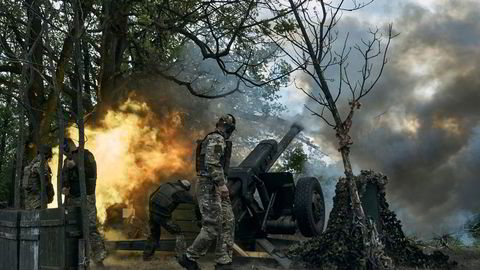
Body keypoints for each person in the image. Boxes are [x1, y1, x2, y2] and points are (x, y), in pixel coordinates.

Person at [178, 114, 236, 270]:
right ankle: (189, 257)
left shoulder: (218, 138)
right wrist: (221, 184)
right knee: (212, 225)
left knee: (227, 220)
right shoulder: (216, 139)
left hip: (215, 186)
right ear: (229, 128)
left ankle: (223, 260)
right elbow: (211, 162)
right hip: (209, 185)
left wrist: (221, 185)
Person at [62, 138, 107, 267]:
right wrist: (63, 188)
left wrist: (77, 166)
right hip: (72, 198)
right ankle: (76, 258)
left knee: (91, 227)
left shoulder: (86, 155)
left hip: (86, 196)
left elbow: (92, 172)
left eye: (66, 151)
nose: (66, 155)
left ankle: (99, 258)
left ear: (70, 146)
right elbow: (64, 178)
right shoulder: (66, 161)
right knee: (72, 228)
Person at [143, 179, 194, 261]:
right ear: (186, 188)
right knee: (179, 233)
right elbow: (194, 201)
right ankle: (180, 256)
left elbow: (152, 195)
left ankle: (147, 256)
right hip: (163, 215)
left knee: (154, 234)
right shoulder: (181, 192)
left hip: (152, 212)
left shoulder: (166, 184)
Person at [22, 145, 54, 209]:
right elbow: (46, 183)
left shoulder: (30, 166)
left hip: (29, 202)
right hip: (38, 201)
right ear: (47, 155)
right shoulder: (41, 165)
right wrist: (51, 195)